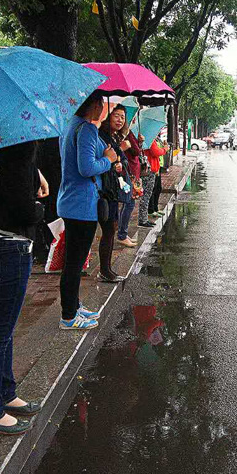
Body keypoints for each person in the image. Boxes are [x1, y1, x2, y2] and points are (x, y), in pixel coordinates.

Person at [0, 141, 45, 436]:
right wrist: (39, 207)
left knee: (5, 328)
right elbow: (23, 210)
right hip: (8, 248)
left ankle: (5, 392)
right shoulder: (18, 149)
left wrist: (35, 174)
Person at [58, 93, 117, 328]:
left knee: (74, 262)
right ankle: (69, 316)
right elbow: (86, 168)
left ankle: (74, 306)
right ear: (94, 105)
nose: (103, 109)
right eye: (102, 104)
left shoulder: (70, 126)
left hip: (70, 201)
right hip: (82, 205)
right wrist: (108, 161)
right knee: (74, 263)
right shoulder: (87, 130)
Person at [98, 105, 133, 279]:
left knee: (111, 228)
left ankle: (107, 269)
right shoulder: (101, 137)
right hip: (105, 190)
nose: (120, 120)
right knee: (109, 229)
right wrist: (112, 161)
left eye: (122, 117)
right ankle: (105, 270)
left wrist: (118, 164)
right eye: (116, 116)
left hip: (112, 188)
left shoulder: (114, 137)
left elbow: (118, 161)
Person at [117, 122, 145, 247]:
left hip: (132, 172)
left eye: (122, 117)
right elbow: (136, 151)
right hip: (129, 173)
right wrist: (136, 144)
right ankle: (122, 235)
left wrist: (139, 142)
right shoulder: (125, 135)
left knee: (129, 203)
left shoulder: (129, 134)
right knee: (129, 203)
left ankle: (123, 233)